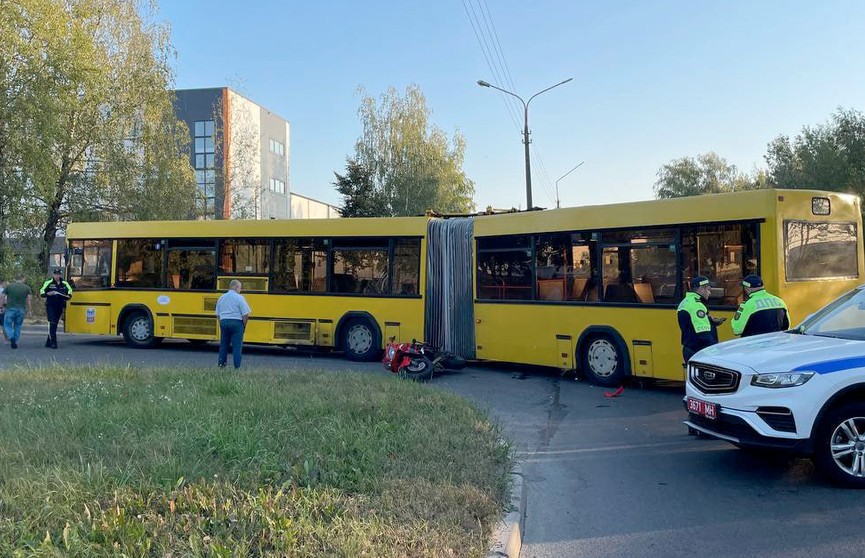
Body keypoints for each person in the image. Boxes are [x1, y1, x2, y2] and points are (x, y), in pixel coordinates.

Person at [677, 276, 724, 363]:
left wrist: (710, 321)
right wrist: (715, 351)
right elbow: (703, 332)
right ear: (701, 289)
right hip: (699, 351)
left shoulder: (686, 301)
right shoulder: (696, 305)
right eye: (708, 290)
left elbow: (691, 323)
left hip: (690, 349)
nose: (709, 293)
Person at [215, 279, 251, 369]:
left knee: (223, 346)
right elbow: (246, 314)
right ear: (236, 287)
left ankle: (221, 366)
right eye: (240, 288)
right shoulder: (239, 298)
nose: (240, 290)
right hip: (236, 323)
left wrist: (221, 324)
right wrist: (244, 326)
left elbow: (218, 314)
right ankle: (237, 367)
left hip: (224, 322)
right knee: (237, 347)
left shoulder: (221, 297)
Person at [39, 268, 73, 349]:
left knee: (55, 324)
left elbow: (70, 291)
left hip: (60, 306)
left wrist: (68, 295)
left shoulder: (64, 283)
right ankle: (53, 342)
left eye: (58, 274)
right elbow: (42, 292)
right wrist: (48, 293)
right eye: (55, 274)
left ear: (60, 275)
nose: (57, 276)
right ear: (53, 274)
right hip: (50, 305)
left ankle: (48, 341)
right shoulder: (48, 282)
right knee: (52, 322)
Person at [3, 274, 33, 349]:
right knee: (18, 325)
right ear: (23, 279)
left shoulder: (9, 286)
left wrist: (1, 306)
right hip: (21, 310)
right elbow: (29, 300)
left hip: (10, 309)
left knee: (7, 324)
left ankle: (11, 337)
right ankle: (15, 341)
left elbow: (2, 296)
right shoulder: (27, 288)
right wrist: (29, 310)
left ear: (15, 279)